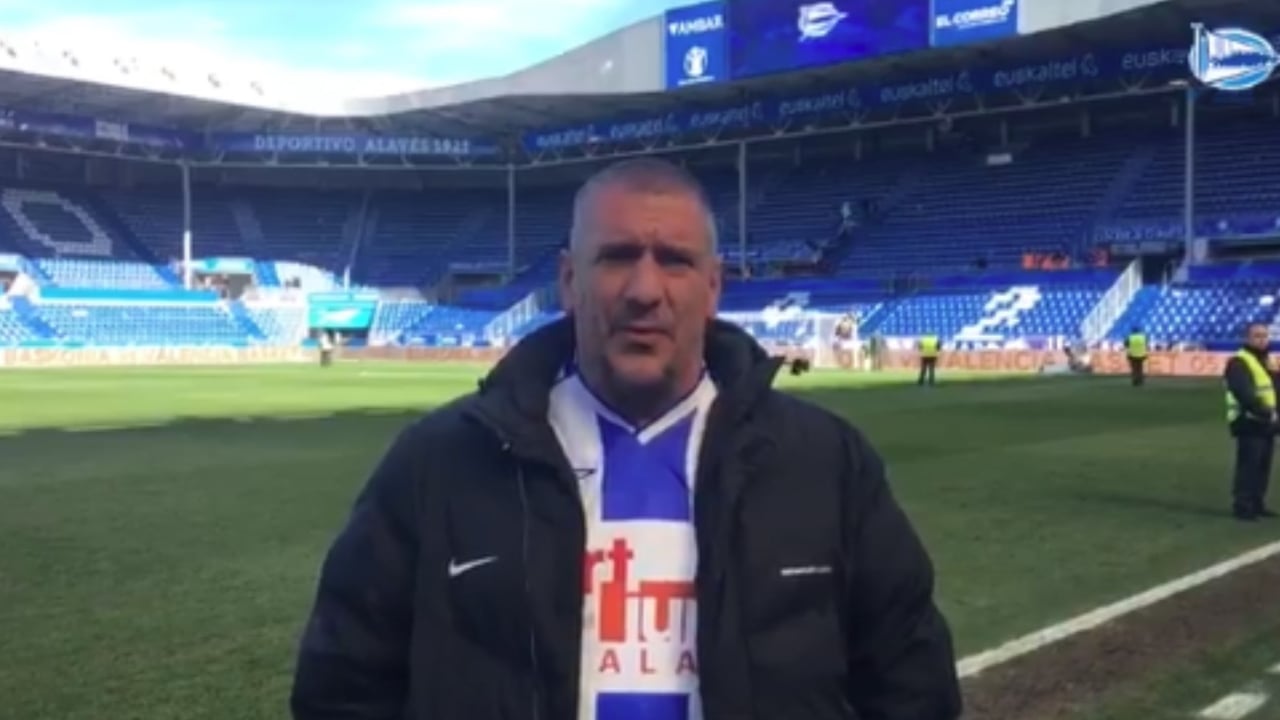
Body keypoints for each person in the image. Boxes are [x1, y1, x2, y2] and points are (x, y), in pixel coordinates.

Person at [290, 157, 962, 720]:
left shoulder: (825, 465)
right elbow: (343, 689)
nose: (644, 289)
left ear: (713, 287)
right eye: (616, 258)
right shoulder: (439, 463)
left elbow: (911, 686)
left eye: (674, 261)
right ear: (568, 281)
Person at [1223, 322, 1278, 521]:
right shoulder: (1239, 362)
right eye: (1257, 336)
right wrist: (1264, 411)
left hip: (1267, 422)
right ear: (1247, 338)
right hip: (1249, 421)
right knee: (1249, 465)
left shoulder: (1267, 360)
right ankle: (1243, 506)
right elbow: (1243, 392)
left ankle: (1257, 503)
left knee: (1263, 466)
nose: (1262, 339)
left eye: (1264, 335)